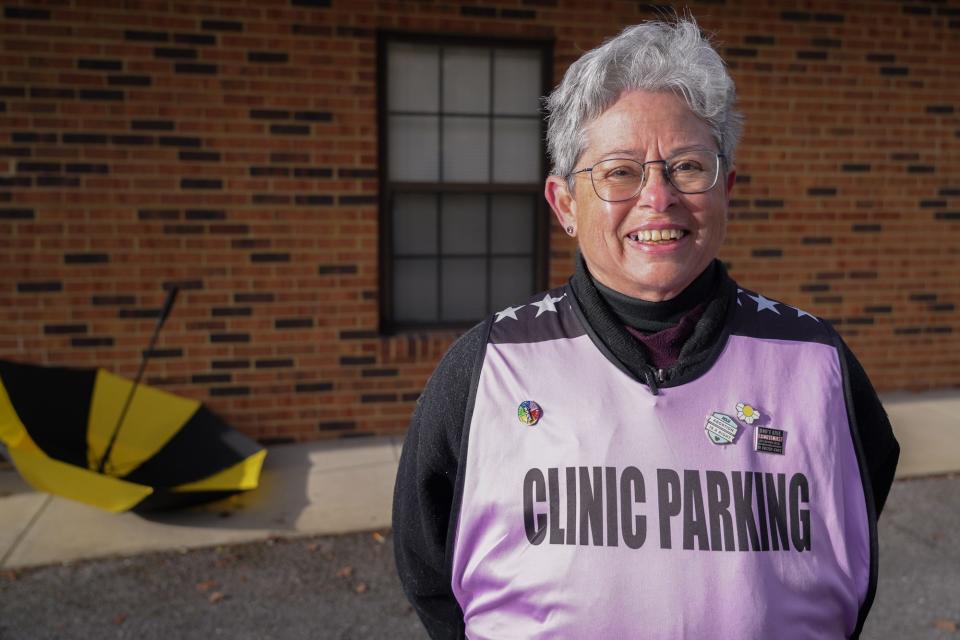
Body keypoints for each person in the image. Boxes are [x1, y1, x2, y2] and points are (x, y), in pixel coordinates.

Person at [393, 16, 900, 640]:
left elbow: (850, 529)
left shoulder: (816, 364)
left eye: (688, 167)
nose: (657, 198)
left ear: (727, 190)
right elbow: (430, 572)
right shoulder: (490, 368)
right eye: (620, 171)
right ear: (563, 204)